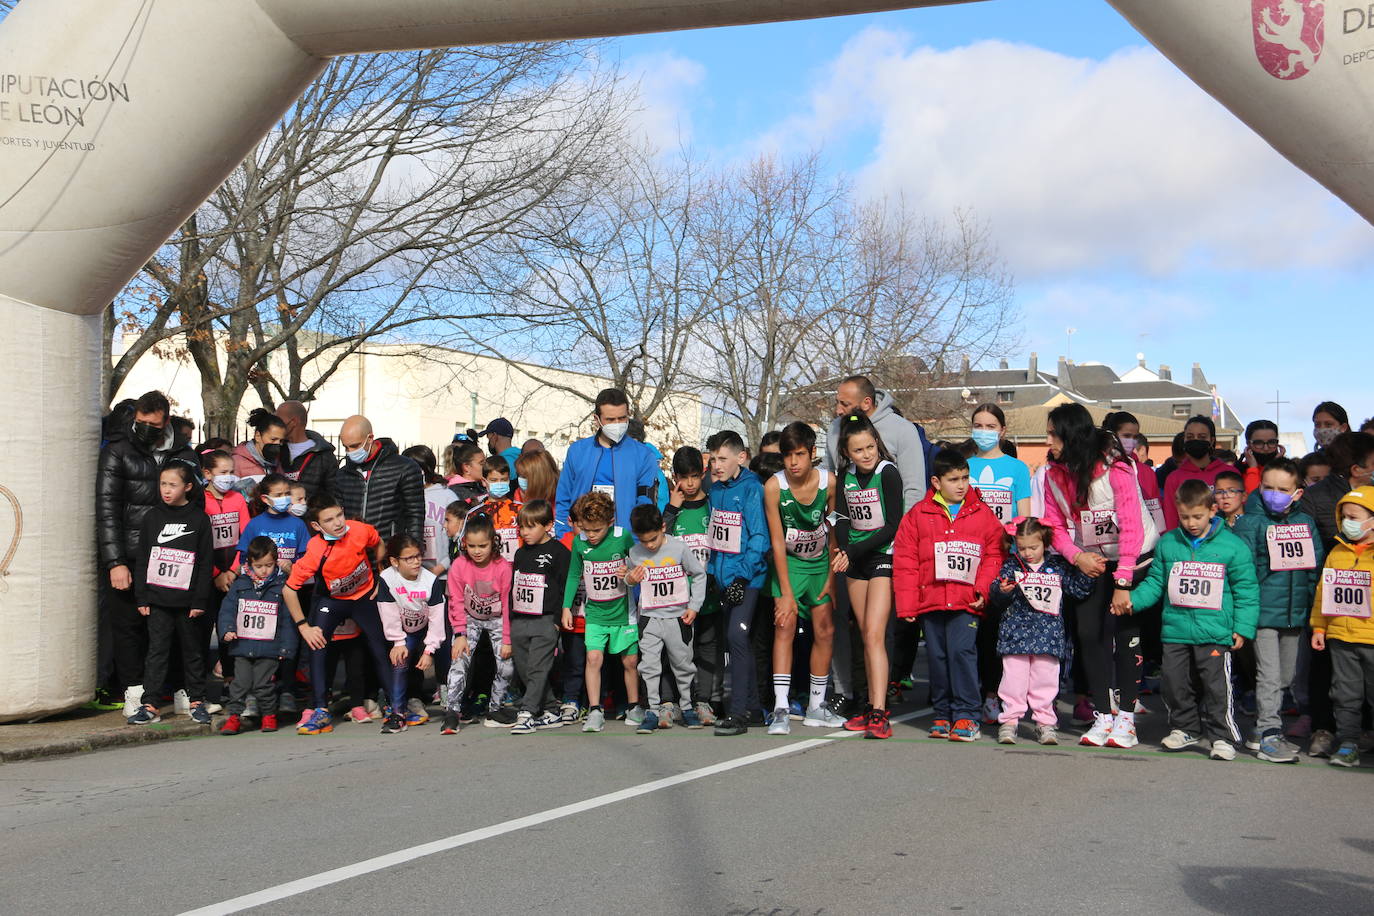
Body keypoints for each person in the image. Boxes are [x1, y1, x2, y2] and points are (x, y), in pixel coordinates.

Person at [1039, 402, 1158, 749]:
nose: (1048, 439)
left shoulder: (1116, 466)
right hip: (1091, 561)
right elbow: (1054, 525)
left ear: (1071, 435)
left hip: (1131, 558)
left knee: (1123, 635)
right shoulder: (1053, 473)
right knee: (1089, 634)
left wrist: (1123, 582)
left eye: (1052, 433)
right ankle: (1103, 715)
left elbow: (1133, 526)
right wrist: (1077, 556)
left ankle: (1127, 719)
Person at [1130, 479, 1260, 761]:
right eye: (1185, 516)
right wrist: (1132, 601)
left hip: (1215, 631)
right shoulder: (1168, 543)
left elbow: (1246, 590)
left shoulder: (1233, 547)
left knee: (1216, 686)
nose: (1191, 523)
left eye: (1197, 516)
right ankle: (1185, 727)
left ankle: (1222, 736)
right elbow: (1156, 582)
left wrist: (1242, 628)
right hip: (1176, 629)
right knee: (1174, 682)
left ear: (1213, 510)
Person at [97, 390, 198, 716]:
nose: (144, 429)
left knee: (176, 627)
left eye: (152, 424)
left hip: (173, 554)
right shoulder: (118, 450)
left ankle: (181, 690)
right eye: (140, 422)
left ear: (165, 421)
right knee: (128, 627)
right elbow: (107, 508)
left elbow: (198, 504)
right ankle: (134, 691)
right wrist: (115, 562)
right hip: (129, 554)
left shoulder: (184, 452)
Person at [893, 448, 1004, 743]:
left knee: (962, 654)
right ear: (936, 481)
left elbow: (994, 554)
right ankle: (942, 712)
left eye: (965, 478)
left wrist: (983, 589)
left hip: (966, 601)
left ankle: (967, 714)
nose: (961, 485)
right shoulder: (918, 514)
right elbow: (905, 561)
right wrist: (906, 604)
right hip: (931, 600)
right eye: (954, 479)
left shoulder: (982, 513)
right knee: (937, 657)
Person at [1231, 456, 1323, 763]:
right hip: (1261, 614)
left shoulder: (1305, 523)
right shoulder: (1250, 523)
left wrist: (1313, 612)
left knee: (1285, 677)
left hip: (1295, 615)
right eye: (1268, 487)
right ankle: (1271, 736)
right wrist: (1242, 615)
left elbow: (1315, 570)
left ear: (1297, 492)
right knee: (1269, 676)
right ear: (1259, 487)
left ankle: (1260, 731)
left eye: (1282, 489)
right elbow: (1241, 573)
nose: (1274, 493)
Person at [283, 492, 391, 736]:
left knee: (380, 647)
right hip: (332, 601)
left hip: (364, 597)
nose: (339, 523)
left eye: (339, 515)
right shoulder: (315, 549)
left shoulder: (360, 530)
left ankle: (397, 705)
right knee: (317, 644)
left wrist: (381, 575)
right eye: (330, 520)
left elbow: (379, 543)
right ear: (316, 526)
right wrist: (303, 626)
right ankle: (320, 709)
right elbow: (288, 590)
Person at [762, 422, 846, 733]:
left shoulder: (830, 482)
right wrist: (785, 591)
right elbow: (776, 542)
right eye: (787, 456)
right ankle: (781, 707)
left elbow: (835, 525)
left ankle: (816, 706)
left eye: (799, 454)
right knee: (784, 626)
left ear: (812, 453)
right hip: (790, 565)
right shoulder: (774, 486)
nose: (793, 462)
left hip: (820, 564)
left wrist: (832, 573)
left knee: (825, 630)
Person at [832, 414, 904, 739]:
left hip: (881, 556)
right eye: (858, 450)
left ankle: (879, 711)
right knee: (864, 634)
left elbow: (893, 525)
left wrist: (853, 552)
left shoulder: (888, 473)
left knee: (875, 634)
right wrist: (845, 547)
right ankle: (868, 705)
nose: (866, 454)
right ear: (847, 453)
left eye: (870, 447)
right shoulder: (844, 475)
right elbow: (839, 516)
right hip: (856, 560)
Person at [990, 518, 1093, 745]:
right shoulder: (1011, 565)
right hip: (1015, 635)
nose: (1027, 553)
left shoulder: (1057, 566)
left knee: (1045, 682)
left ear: (1045, 543)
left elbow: (1077, 590)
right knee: (1013, 681)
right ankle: (1009, 722)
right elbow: (996, 595)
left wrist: (1087, 571)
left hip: (1048, 637)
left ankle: (1045, 723)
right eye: (1022, 547)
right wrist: (1002, 590)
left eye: (1033, 547)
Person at [128, 460, 215, 726]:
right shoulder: (153, 517)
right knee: (157, 651)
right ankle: (151, 704)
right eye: (163, 484)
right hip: (157, 599)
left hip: (188, 601)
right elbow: (143, 557)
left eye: (172, 485)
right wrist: (141, 595)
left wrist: (200, 599)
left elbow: (205, 562)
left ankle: (197, 701)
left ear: (188, 487)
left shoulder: (199, 519)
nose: (166, 490)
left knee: (192, 651)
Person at [965, 403, 1032, 725]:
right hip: (968, 560)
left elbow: (1024, 518)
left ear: (1002, 431)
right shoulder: (965, 466)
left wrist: (1017, 547)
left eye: (991, 426)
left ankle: (995, 696)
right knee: (973, 633)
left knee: (998, 633)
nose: (984, 431)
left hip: (1004, 559)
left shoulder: (1017, 469)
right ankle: (973, 695)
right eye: (978, 425)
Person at [705, 431, 770, 737]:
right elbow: (717, 538)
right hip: (723, 577)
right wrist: (711, 573)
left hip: (747, 579)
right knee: (734, 640)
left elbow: (759, 537)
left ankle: (739, 712)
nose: (715, 465)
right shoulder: (715, 490)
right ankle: (754, 708)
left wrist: (743, 577)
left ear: (740, 457)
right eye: (712, 458)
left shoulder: (751, 488)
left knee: (737, 639)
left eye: (721, 458)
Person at [561, 491, 641, 734]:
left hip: (623, 613)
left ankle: (634, 705)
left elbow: (637, 565)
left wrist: (629, 573)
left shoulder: (622, 537)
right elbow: (574, 574)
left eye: (596, 530)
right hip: (595, 613)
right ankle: (595, 710)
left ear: (610, 522)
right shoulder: (579, 542)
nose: (592, 536)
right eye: (587, 530)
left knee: (629, 661)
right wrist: (566, 607)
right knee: (593, 658)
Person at [625, 503, 707, 733]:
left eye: (653, 539)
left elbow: (699, 575)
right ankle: (652, 710)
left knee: (683, 664)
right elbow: (628, 580)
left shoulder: (678, 547)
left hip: (678, 618)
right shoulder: (635, 552)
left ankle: (687, 708)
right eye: (644, 541)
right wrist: (631, 579)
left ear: (663, 527)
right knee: (649, 666)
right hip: (650, 618)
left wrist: (694, 606)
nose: (649, 545)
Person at [1310, 485, 1374, 767]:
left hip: (1371, 638)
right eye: (1344, 515)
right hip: (1340, 637)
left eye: (1355, 516)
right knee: (1345, 694)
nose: (1348, 521)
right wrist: (1319, 628)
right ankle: (1349, 742)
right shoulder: (1336, 552)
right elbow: (1323, 592)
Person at [664, 445, 722, 726]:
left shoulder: (712, 505)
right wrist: (672, 509)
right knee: (675, 649)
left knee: (707, 646)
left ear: (703, 474)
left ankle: (704, 701)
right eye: (683, 477)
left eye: (694, 477)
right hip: (675, 595)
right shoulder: (670, 509)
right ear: (675, 477)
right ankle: (672, 701)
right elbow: (656, 541)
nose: (689, 484)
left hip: (706, 592)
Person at [217, 536, 298, 735]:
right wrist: (227, 629)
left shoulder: (282, 586)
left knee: (263, 684)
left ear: (276, 562)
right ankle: (234, 716)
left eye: (269, 565)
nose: (264, 570)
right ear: (249, 564)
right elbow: (227, 608)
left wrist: (286, 648)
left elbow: (288, 619)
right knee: (240, 683)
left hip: (269, 646)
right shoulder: (240, 584)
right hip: (243, 644)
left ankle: (269, 715)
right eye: (259, 565)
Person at [553, 388, 661, 537]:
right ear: (597, 419)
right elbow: (563, 498)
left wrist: (635, 545)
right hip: (582, 540)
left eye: (622, 418)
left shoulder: (643, 455)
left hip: (624, 543)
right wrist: (564, 537)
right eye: (610, 420)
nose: (617, 424)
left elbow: (645, 505)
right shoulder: (577, 451)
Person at [445, 515, 516, 730]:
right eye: (472, 546)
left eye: (483, 546)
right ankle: (452, 711)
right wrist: (459, 635)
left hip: (497, 618)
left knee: (507, 666)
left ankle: (495, 708)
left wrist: (507, 640)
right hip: (469, 619)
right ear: (465, 543)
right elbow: (455, 601)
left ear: (493, 542)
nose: (477, 551)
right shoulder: (459, 565)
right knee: (459, 660)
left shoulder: (503, 567)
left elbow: (507, 604)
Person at [507, 499, 570, 735]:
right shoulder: (521, 553)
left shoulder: (559, 552)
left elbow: (565, 586)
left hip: (545, 620)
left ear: (548, 525)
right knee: (524, 668)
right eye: (522, 527)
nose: (525, 532)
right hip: (521, 619)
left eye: (531, 527)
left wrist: (557, 619)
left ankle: (527, 712)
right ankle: (552, 709)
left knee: (537, 667)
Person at [376, 534, 446, 733]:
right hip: (405, 631)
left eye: (418, 556)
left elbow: (437, 619)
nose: (416, 562)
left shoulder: (430, 580)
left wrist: (429, 650)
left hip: (429, 628)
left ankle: (453, 705)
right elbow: (387, 612)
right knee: (400, 661)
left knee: (447, 656)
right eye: (409, 558)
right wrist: (398, 642)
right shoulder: (387, 578)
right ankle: (398, 714)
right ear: (394, 561)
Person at [826, 375, 926, 512]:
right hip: (849, 526)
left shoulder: (903, 429)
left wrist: (904, 529)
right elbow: (827, 475)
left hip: (892, 527)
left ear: (866, 403)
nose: (838, 410)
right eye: (837, 402)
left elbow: (914, 488)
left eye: (845, 404)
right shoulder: (834, 428)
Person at [334, 414, 424, 541]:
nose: (350, 452)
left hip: (390, 549)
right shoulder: (343, 474)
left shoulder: (405, 468)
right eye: (345, 447)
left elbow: (415, 514)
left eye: (355, 446)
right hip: (353, 549)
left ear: (370, 438)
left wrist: (413, 549)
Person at [1160, 415, 1239, 531]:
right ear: (1184, 440)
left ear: (1211, 440)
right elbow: (1171, 518)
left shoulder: (1230, 473)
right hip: (1189, 544)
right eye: (1190, 436)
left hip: (1227, 542)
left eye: (1202, 437)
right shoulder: (1174, 478)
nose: (1195, 440)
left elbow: (1239, 512)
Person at [403, 445, 458, 577]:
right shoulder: (401, 495)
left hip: (441, 575)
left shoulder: (447, 496)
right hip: (409, 574)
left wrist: (441, 567)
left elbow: (458, 538)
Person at [237, 474, 311, 568]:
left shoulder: (298, 524)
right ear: (265, 499)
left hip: (290, 579)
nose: (284, 498)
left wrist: (293, 565)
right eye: (278, 495)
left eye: (287, 494)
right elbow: (244, 558)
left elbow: (306, 557)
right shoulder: (254, 524)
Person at [273, 400, 338, 499]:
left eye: (279, 421)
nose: (275, 425)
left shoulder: (324, 456)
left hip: (311, 513)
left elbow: (333, 495)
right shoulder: (275, 450)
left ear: (294, 422)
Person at [465, 455, 523, 563]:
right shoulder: (475, 514)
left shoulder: (521, 510)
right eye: (494, 480)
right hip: (488, 571)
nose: (499, 484)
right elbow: (466, 545)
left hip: (517, 569)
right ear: (483, 481)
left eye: (504, 480)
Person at [232, 408, 287, 486]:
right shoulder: (236, 463)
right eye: (273, 439)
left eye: (281, 441)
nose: (277, 444)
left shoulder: (277, 462)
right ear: (258, 436)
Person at [445, 440, 488, 514]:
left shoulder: (482, 485)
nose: (486, 466)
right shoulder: (455, 492)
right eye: (481, 463)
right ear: (466, 467)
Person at [1240, 419, 1283, 493]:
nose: (1266, 448)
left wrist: (1275, 465)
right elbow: (1252, 497)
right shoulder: (1238, 470)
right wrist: (1253, 469)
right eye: (1259, 443)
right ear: (1248, 444)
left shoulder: (1289, 469)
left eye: (1271, 442)